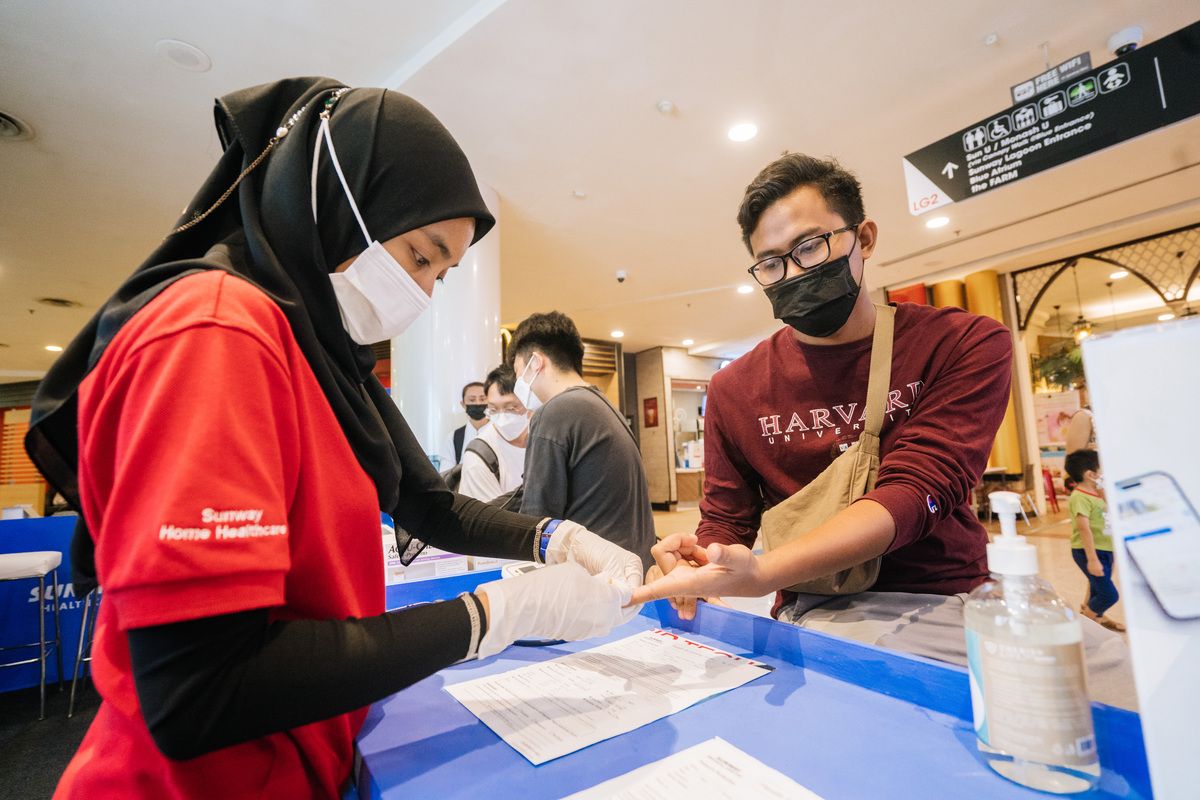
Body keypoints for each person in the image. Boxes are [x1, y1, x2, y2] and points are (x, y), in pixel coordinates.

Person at [25, 78, 643, 799]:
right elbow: (201, 688)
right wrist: (494, 616)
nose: (425, 293)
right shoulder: (219, 330)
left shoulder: (323, 356)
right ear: (337, 203)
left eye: (443, 275)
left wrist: (554, 540)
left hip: (303, 758)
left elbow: (429, 506)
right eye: (421, 257)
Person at [634, 153, 1134, 707]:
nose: (793, 273)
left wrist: (762, 572)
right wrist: (700, 562)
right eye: (771, 263)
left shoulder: (964, 343)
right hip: (823, 608)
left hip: (955, 595)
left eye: (809, 247)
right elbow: (727, 519)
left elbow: (918, 488)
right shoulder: (735, 388)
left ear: (863, 238)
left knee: (1136, 691)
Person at [508, 312, 656, 570]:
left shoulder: (555, 412)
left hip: (595, 580)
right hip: (630, 571)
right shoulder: (602, 405)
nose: (518, 385)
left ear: (535, 363)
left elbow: (536, 523)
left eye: (518, 373)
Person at [1066, 448, 1124, 632]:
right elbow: (1084, 528)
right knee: (1109, 595)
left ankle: (1095, 628)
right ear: (1091, 474)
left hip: (1105, 550)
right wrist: (1092, 559)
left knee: (1098, 591)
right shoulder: (1079, 497)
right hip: (1090, 551)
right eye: (1101, 470)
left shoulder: (1096, 495)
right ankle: (1082, 629)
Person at [458, 365, 529, 503]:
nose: (502, 417)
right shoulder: (480, 456)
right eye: (493, 409)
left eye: (511, 408)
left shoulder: (544, 440)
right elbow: (493, 519)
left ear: (529, 402)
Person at [443, 381, 489, 468]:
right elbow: (446, 474)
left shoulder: (500, 433)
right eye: (472, 400)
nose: (478, 403)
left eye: (482, 399)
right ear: (463, 404)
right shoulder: (453, 438)